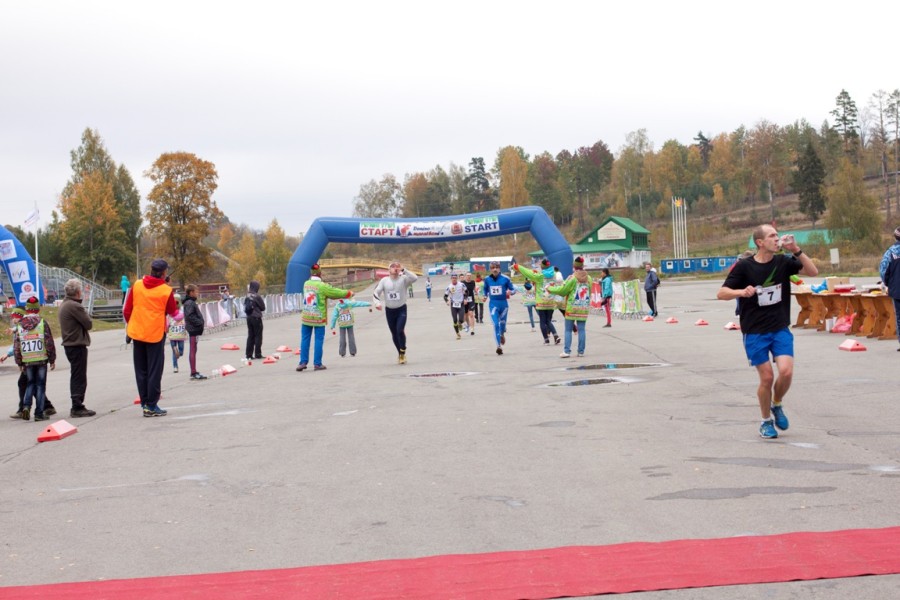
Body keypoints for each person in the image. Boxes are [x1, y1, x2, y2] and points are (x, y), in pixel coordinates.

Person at [717, 224, 818, 439]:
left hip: (779, 327)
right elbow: (722, 293)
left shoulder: (783, 262)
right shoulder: (744, 266)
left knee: (787, 372)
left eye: (777, 236)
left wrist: (796, 250)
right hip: (755, 331)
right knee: (766, 378)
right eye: (772, 236)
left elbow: (812, 272)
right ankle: (765, 421)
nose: (777, 239)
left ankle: (777, 404)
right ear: (760, 242)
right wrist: (742, 292)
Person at [124, 259, 178, 417]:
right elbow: (172, 310)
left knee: (141, 369)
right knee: (155, 369)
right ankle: (152, 404)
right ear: (164, 273)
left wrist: (132, 324)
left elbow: (127, 310)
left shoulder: (138, 285)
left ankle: (145, 402)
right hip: (155, 333)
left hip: (138, 332)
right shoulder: (166, 290)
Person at [298, 263, 353, 371]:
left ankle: (303, 362)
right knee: (318, 340)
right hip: (318, 318)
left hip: (306, 317)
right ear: (320, 273)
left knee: (305, 340)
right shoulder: (322, 286)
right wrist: (348, 293)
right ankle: (317, 363)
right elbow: (335, 292)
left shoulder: (306, 284)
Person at [5, 307, 57, 420]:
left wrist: (19, 362)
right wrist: (52, 359)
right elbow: (48, 342)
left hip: (27, 361)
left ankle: (26, 407)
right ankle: (39, 413)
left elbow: (17, 346)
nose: (13, 318)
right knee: (40, 386)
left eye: (14, 316)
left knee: (29, 384)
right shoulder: (41, 323)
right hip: (41, 358)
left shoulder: (20, 326)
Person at [58, 279, 97, 417]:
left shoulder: (64, 304)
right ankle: (77, 405)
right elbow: (88, 323)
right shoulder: (74, 306)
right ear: (78, 292)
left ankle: (77, 403)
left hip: (70, 344)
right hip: (76, 344)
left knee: (76, 374)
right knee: (79, 376)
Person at [373, 261, 418, 364]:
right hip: (389, 311)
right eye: (393, 267)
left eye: (397, 267)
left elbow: (415, 278)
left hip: (401, 309)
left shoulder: (403, 279)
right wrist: (377, 303)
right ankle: (400, 354)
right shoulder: (384, 280)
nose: (395, 268)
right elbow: (377, 292)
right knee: (394, 333)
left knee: (400, 329)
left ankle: (403, 350)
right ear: (389, 270)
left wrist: (404, 270)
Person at [548, 257, 593, 358]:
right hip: (583, 307)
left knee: (568, 330)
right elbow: (590, 291)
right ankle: (581, 351)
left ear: (574, 267)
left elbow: (563, 291)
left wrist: (550, 288)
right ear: (582, 266)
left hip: (572, 307)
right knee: (582, 329)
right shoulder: (589, 278)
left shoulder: (572, 278)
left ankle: (567, 351)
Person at [512, 258, 561, 345]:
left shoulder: (539, 276)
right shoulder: (554, 274)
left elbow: (528, 272)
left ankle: (546, 340)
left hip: (541, 301)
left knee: (543, 321)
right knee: (548, 320)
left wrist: (517, 266)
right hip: (551, 300)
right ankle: (555, 335)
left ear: (542, 267)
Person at [483, 261, 516, 355]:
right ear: (490, 269)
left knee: (502, 325)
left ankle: (502, 334)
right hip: (493, 305)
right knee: (496, 324)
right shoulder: (487, 279)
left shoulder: (506, 278)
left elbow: (513, 289)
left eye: (496, 267)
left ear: (499, 268)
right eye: (493, 267)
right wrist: (485, 296)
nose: (495, 269)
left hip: (504, 305)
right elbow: (485, 289)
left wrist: (511, 292)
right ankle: (498, 346)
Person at [879, 226, 900, 350]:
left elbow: (883, 270)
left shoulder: (891, 252)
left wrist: (887, 283)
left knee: (899, 317)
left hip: (897, 290)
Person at [182, 284, 207, 379]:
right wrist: (199, 322)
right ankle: (193, 372)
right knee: (192, 349)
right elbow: (189, 316)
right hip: (193, 329)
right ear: (191, 292)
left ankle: (194, 370)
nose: (197, 293)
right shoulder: (190, 303)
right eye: (196, 292)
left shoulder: (190, 302)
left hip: (194, 329)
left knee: (194, 349)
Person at [244, 281, 265, 360]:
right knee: (258, 336)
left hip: (249, 317)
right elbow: (263, 307)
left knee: (250, 336)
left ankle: (248, 354)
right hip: (256, 317)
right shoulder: (257, 296)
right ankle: (258, 353)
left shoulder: (247, 295)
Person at [443, 273, 467, 340]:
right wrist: (447, 301)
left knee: (461, 319)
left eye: (455, 278)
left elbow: (466, 292)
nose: (454, 279)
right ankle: (458, 334)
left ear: (457, 279)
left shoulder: (461, 284)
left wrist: (465, 299)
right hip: (453, 305)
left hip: (461, 304)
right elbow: (445, 296)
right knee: (455, 320)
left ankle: (460, 324)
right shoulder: (449, 287)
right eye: (453, 278)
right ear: (451, 279)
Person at [167, 298, 187, 374]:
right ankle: (178, 352)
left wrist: (166, 330)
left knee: (174, 352)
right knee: (181, 351)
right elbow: (185, 323)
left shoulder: (170, 315)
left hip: (172, 335)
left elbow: (167, 324)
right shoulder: (182, 314)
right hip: (180, 335)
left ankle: (175, 367)